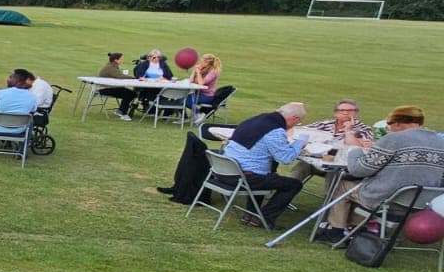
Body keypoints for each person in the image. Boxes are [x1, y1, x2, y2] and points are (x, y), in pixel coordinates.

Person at [323, 106, 444, 234]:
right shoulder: (440, 142)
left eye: (389, 124)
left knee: (343, 186)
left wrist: (355, 150)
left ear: (397, 123)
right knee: (364, 185)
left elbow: (359, 170)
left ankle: (336, 231)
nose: (388, 128)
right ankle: (355, 226)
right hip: (422, 202)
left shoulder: (394, 139)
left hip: (388, 199)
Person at [221, 102, 310, 230]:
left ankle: (250, 214)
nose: (296, 125)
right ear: (295, 118)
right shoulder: (274, 130)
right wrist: (300, 143)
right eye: (299, 122)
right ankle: (264, 218)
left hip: (225, 171)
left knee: (267, 173)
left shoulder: (257, 119)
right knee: (293, 184)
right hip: (244, 177)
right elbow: (285, 158)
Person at [0, 70, 39, 144]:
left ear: (16, 80)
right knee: (30, 121)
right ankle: (22, 151)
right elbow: (32, 112)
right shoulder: (32, 97)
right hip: (19, 130)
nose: (8, 79)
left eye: (11, 77)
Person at [98, 52, 139, 120]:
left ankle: (121, 110)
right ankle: (122, 112)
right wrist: (135, 78)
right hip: (105, 89)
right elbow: (120, 76)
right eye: (121, 59)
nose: (122, 60)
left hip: (109, 87)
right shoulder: (110, 67)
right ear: (116, 60)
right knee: (129, 94)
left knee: (130, 93)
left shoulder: (112, 66)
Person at [187, 53, 229, 118]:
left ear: (207, 63)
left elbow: (201, 83)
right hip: (199, 94)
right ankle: (186, 117)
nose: (200, 63)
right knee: (183, 97)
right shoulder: (204, 69)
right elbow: (191, 81)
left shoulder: (213, 72)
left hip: (207, 96)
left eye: (202, 62)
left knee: (186, 100)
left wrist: (198, 72)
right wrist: (194, 71)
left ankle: (199, 114)